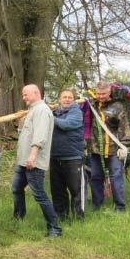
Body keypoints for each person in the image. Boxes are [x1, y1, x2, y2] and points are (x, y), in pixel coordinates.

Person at [12, 84, 62, 238]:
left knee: (39, 194)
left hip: (32, 161)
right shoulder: (33, 110)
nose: (23, 97)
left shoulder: (41, 110)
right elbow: (26, 133)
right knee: (16, 188)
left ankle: (54, 228)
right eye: (22, 94)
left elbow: (40, 136)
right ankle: (18, 218)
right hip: (23, 161)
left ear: (36, 93)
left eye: (26, 94)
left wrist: (33, 156)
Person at [87, 81, 130, 212]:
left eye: (103, 93)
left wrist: (124, 146)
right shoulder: (91, 105)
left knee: (116, 177)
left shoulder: (117, 106)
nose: (100, 96)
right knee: (95, 177)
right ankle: (97, 205)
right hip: (95, 149)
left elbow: (125, 127)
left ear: (109, 92)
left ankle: (120, 207)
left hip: (114, 150)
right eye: (98, 93)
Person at [50, 89, 85, 221]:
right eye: (64, 97)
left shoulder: (76, 112)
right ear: (59, 99)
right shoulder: (55, 112)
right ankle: (61, 217)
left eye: (70, 97)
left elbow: (66, 125)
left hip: (72, 158)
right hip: (55, 157)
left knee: (76, 190)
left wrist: (50, 117)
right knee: (57, 191)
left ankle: (78, 218)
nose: (67, 99)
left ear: (74, 99)